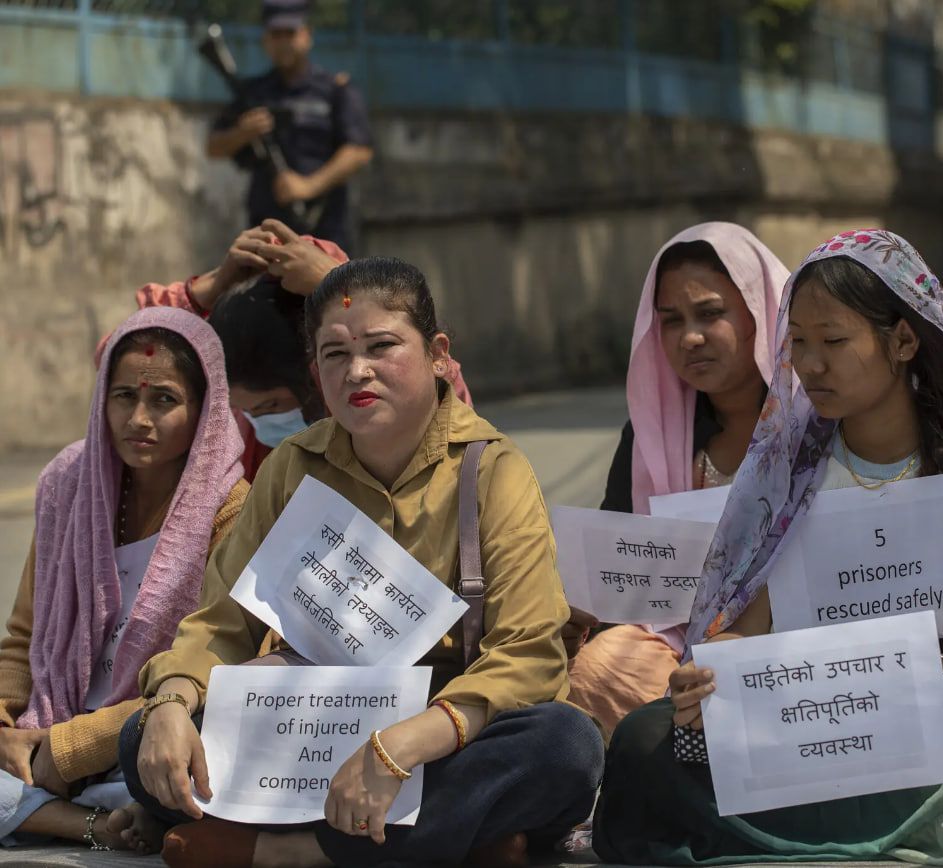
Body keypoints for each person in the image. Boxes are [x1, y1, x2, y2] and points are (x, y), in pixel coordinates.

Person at [594, 229, 943, 865]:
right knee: (644, 740)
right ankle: (900, 823)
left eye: (833, 342)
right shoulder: (793, 464)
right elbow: (748, 627)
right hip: (823, 698)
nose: (809, 364)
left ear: (903, 340)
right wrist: (712, 675)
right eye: (796, 342)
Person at [118, 257, 603, 868]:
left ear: (437, 353)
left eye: (381, 346)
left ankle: (291, 851)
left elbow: (528, 652)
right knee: (143, 743)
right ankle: (456, 839)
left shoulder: (494, 470)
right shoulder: (293, 466)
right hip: (318, 730)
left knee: (565, 747)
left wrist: (401, 745)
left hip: (441, 738)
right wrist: (171, 701)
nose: (358, 372)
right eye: (335, 355)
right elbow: (220, 625)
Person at [0, 308, 248, 853]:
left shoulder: (232, 508)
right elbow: (24, 637)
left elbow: (216, 667)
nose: (138, 418)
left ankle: (91, 810)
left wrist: (67, 752)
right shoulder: (69, 484)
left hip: (142, 731)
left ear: (204, 410)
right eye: (122, 397)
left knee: (188, 760)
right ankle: (91, 826)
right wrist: (5, 730)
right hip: (45, 727)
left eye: (163, 399)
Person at [565, 223, 789, 734]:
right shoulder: (652, 434)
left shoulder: (813, 420)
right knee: (601, 666)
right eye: (671, 321)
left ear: (761, 310)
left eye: (710, 314)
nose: (690, 337)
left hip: (797, 636)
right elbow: (616, 567)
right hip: (676, 648)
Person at [112, 219, 471, 480]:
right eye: (245, 409)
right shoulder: (242, 448)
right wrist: (210, 287)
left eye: (271, 406)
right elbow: (127, 357)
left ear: (316, 366)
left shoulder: (378, 419)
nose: (260, 421)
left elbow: (435, 395)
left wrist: (339, 283)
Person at [207, 0, 374, 251]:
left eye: (291, 33)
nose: (284, 42)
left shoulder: (334, 90)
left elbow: (359, 151)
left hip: (325, 232)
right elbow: (214, 147)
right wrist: (242, 132)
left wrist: (308, 186)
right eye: (276, 34)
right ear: (266, 40)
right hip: (266, 236)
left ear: (308, 35)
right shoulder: (252, 94)